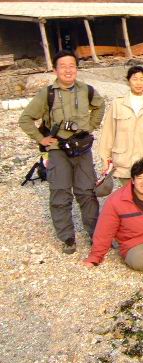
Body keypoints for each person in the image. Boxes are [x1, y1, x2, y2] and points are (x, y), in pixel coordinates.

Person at [19, 50, 105, 254]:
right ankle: (67, 238)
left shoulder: (86, 90)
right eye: (63, 66)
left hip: (82, 150)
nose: (68, 70)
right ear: (55, 70)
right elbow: (25, 119)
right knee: (60, 193)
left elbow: (100, 106)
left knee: (87, 192)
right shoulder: (47, 94)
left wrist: (90, 126)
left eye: (72, 66)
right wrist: (41, 139)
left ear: (77, 68)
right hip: (58, 150)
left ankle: (95, 234)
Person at [98, 66, 143, 183]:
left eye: (141, 79)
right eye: (135, 79)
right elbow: (108, 133)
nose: (138, 83)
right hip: (123, 163)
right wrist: (105, 158)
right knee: (127, 193)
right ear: (128, 81)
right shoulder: (118, 104)